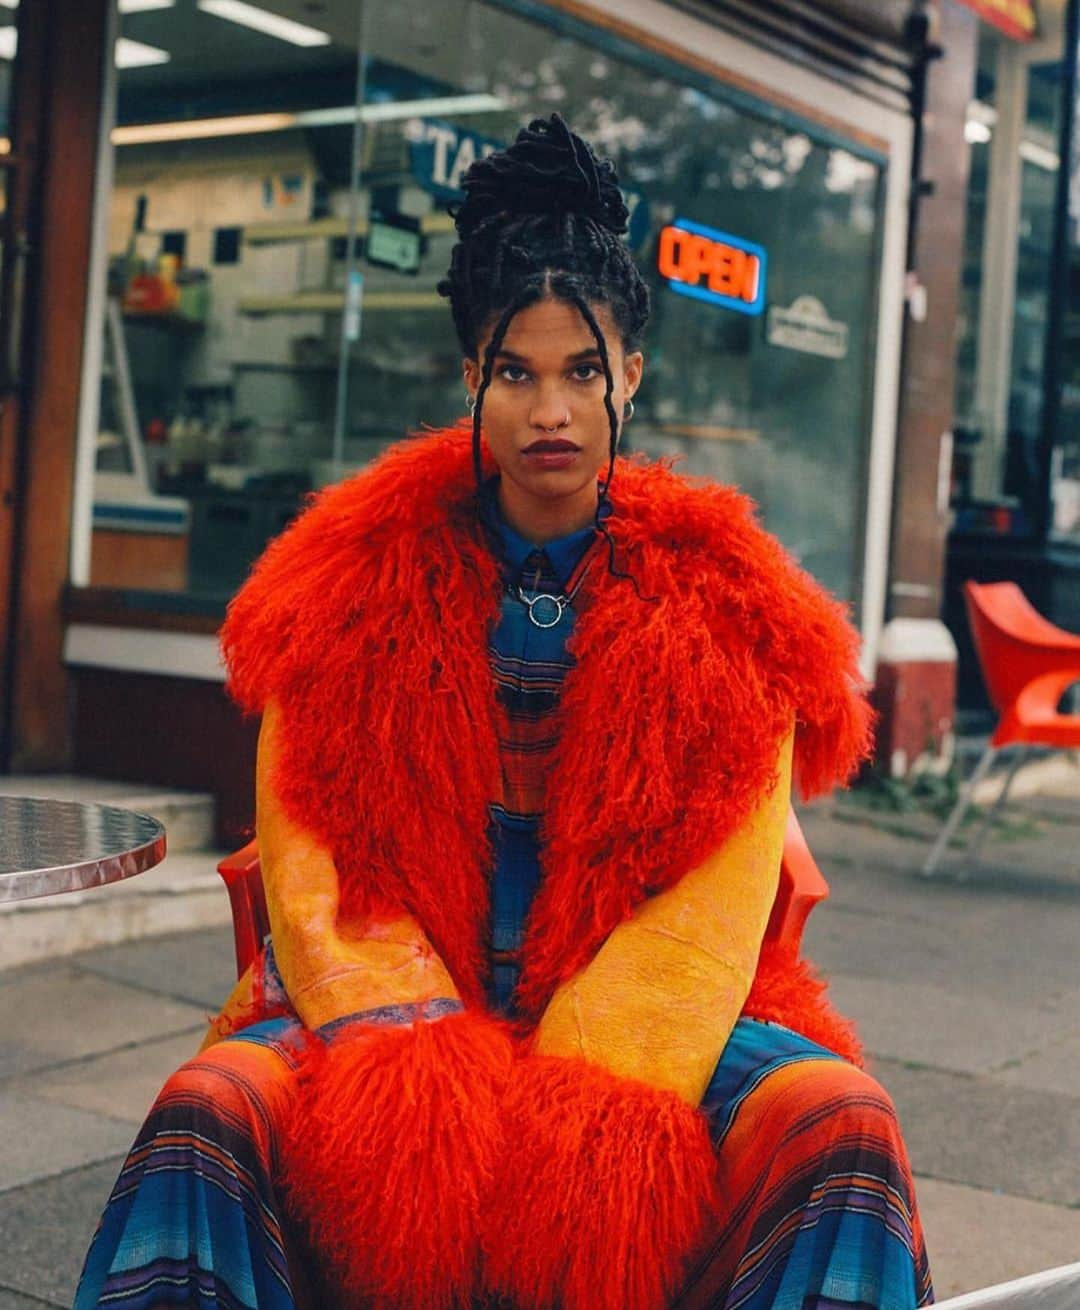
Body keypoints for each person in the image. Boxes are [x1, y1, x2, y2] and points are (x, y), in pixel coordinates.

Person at [76, 114, 932, 1310]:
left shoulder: (730, 606)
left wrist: (601, 1065)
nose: (552, 410)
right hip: (397, 994)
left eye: (583, 371)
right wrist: (413, 1039)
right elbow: (311, 847)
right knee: (205, 1108)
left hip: (640, 1007)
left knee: (840, 1119)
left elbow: (723, 881)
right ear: (468, 374)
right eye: (517, 370)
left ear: (631, 374)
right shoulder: (345, 585)